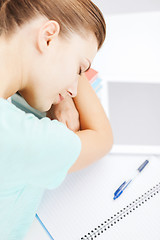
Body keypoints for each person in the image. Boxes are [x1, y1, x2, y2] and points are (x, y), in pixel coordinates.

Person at [0, 0, 113, 239]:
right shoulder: (18, 138)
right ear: (48, 37)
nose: (74, 90)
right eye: (81, 70)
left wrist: (59, 93)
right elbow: (102, 137)